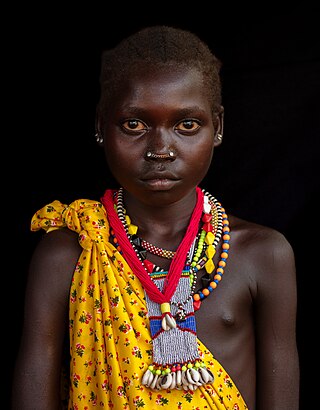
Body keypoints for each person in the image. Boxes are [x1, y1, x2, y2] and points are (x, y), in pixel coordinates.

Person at [12, 25, 299, 409]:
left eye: (187, 125)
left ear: (219, 127)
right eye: (135, 124)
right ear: (100, 125)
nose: (161, 149)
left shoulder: (263, 254)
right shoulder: (68, 253)